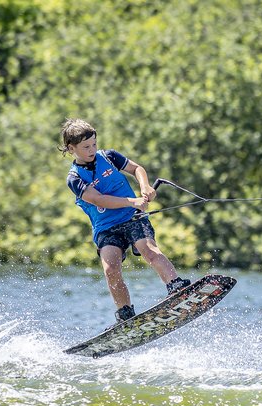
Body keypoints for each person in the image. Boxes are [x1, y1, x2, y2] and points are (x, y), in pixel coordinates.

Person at [60, 118, 190, 322]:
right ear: (71, 148)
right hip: (106, 227)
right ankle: (125, 314)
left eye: (94, 144)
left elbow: (137, 169)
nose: (92, 149)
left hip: (133, 218)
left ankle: (176, 286)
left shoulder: (109, 156)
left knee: (149, 250)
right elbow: (98, 199)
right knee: (110, 269)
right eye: (86, 147)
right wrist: (132, 201)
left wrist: (145, 187)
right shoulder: (74, 178)